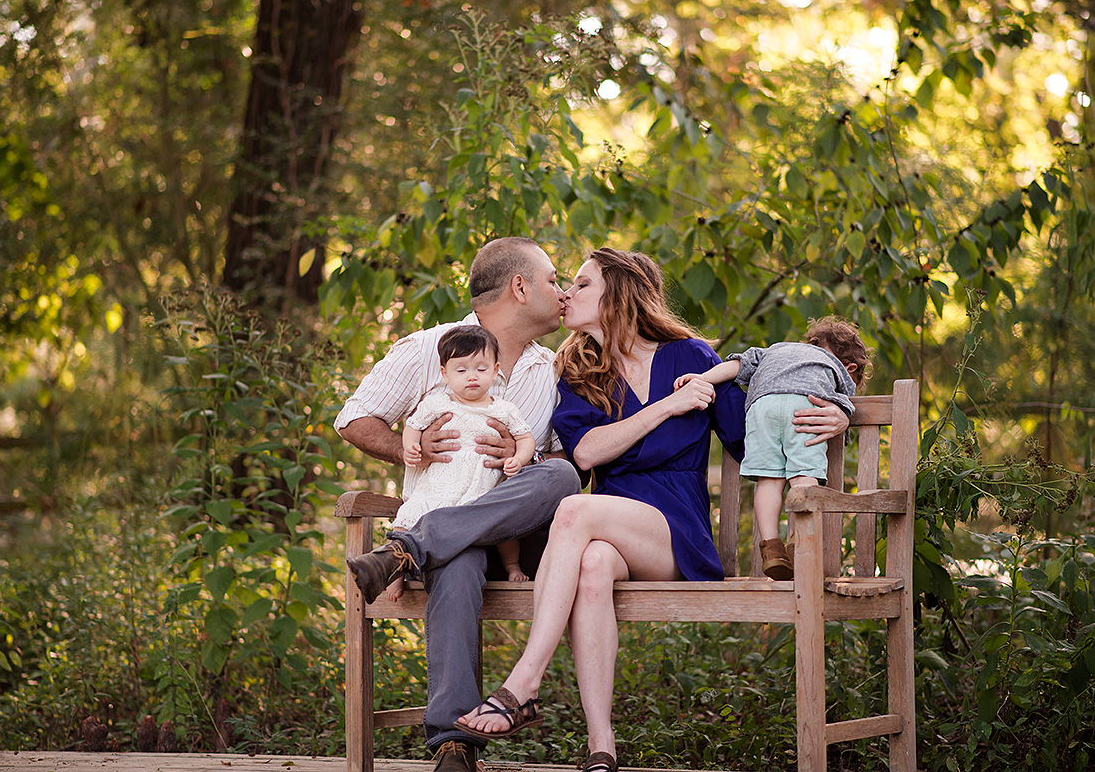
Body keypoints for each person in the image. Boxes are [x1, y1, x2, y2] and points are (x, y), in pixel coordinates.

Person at [454, 248, 849, 772]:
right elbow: (586, 452)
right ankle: (601, 746)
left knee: (574, 511)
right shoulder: (576, 372)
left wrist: (837, 411)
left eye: (583, 284)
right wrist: (668, 406)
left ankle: (524, 682)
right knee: (592, 563)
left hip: (675, 527)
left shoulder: (690, 357)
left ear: (618, 293)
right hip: (612, 519)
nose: (568, 293)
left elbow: (748, 434)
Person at [336, 236, 580, 772]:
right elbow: (354, 418)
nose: (561, 293)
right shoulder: (429, 348)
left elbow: (564, 463)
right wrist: (407, 445)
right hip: (460, 543)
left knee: (559, 474)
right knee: (461, 558)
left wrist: (525, 454)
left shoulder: (551, 368)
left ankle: (407, 551)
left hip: (518, 540)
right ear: (520, 286)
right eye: (552, 280)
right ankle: (453, 744)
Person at [674, 316, 869, 580]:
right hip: (804, 407)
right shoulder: (837, 368)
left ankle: (771, 547)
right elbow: (842, 407)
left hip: (761, 407)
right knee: (803, 476)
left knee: (768, 480)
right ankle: (800, 545)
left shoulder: (775, 349)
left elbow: (737, 365)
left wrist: (701, 378)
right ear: (851, 366)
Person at [380, 324, 536, 602]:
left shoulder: (503, 409)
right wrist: (410, 448)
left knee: (503, 523)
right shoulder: (437, 404)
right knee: (407, 518)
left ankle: (513, 566)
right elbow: (412, 427)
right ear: (445, 373)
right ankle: (395, 571)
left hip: (483, 485)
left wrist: (519, 458)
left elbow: (526, 439)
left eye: (481, 369)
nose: (472, 377)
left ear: (495, 369)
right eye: (461, 370)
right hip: (440, 486)